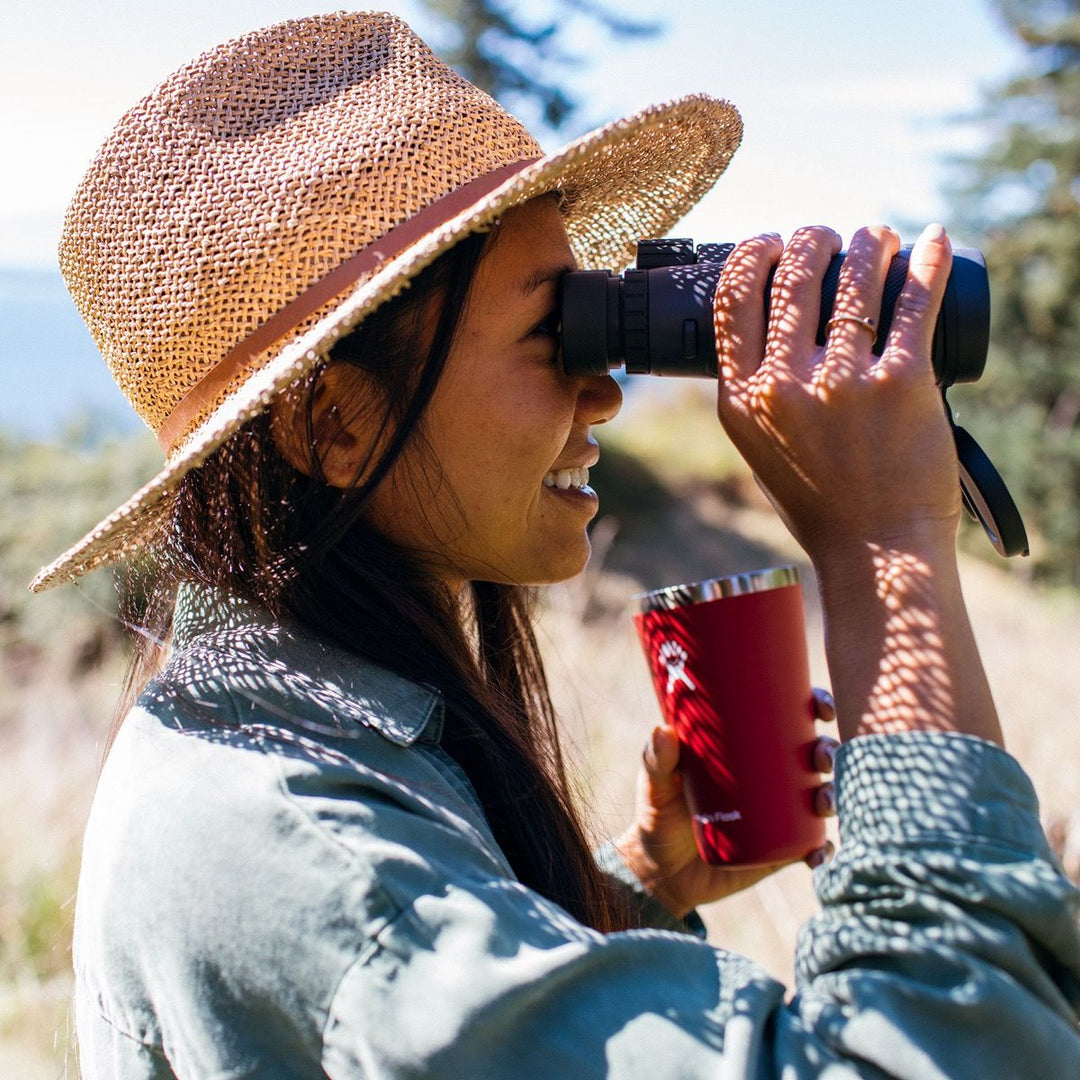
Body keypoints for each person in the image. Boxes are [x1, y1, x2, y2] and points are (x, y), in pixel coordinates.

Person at [33, 11, 1080, 1079]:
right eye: (555, 333)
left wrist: (627, 895)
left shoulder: (288, 728)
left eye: (601, 325)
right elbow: (957, 1053)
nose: (605, 394)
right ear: (334, 427)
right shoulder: (301, 850)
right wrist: (885, 551)